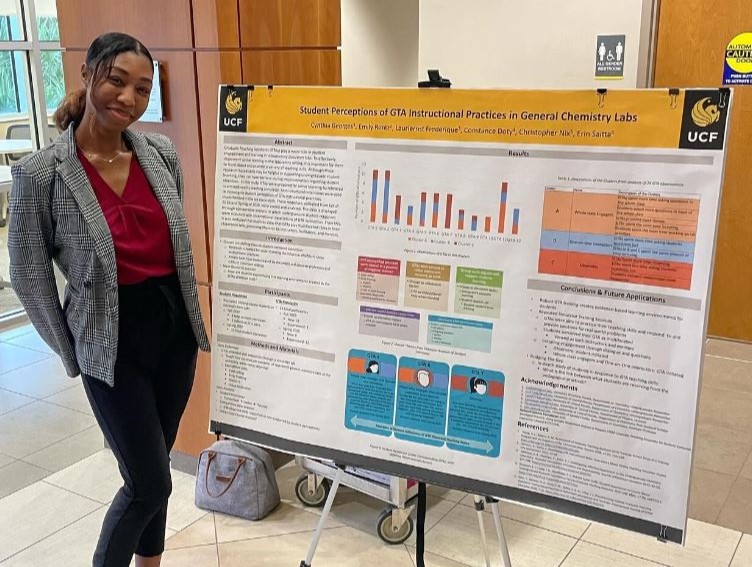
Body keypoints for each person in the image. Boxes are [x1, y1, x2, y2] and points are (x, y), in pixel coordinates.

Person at [8, 32, 210, 567]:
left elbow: (175, 244)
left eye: (142, 89)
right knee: (146, 484)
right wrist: (70, 350)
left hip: (172, 331)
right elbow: (29, 276)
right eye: (117, 81)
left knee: (157, 471)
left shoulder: (161, 154)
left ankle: (150, 563)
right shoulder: (42, 173)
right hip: (107, 340)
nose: (128, 98)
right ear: (88, 75)